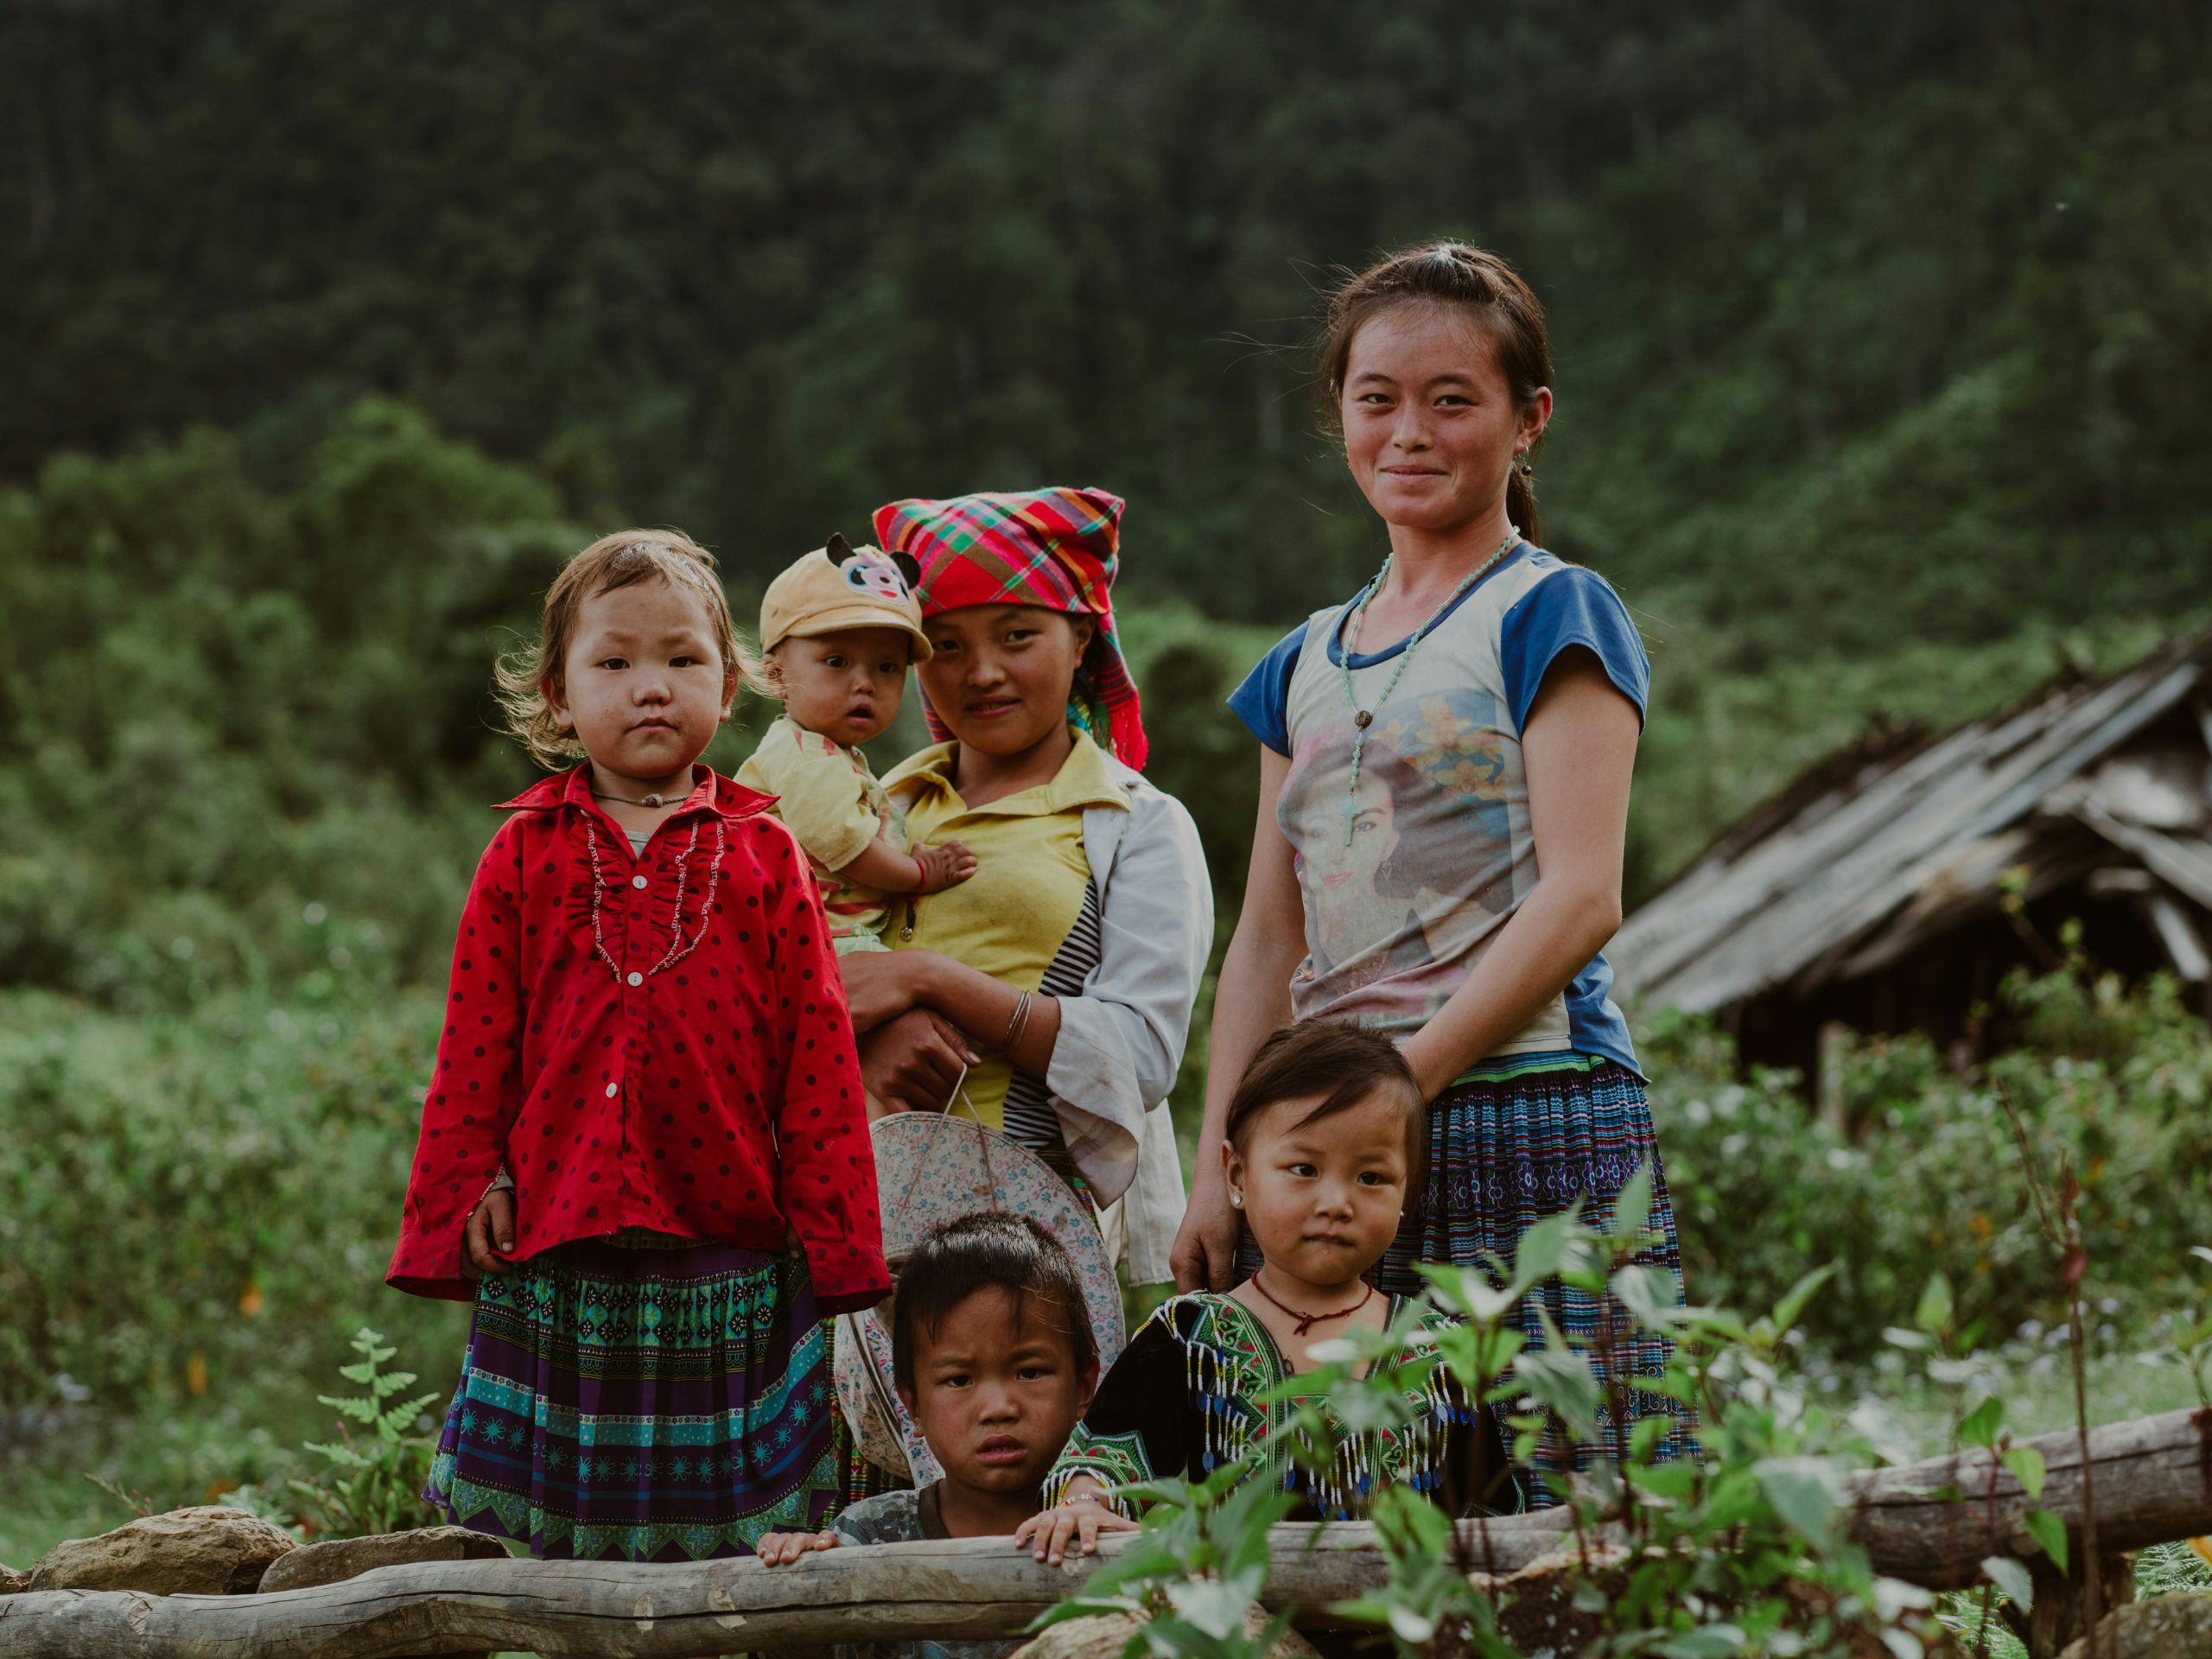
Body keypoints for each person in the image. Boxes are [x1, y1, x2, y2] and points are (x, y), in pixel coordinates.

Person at [1173, 243, 1693, 1500]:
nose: (1411, 431)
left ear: (1530, 421)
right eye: (1377, 398)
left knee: (1585, 1496)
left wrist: (1398, 1086)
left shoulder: (1552, 610)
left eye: (1453, 399)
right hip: (1345, 1147)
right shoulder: (1301, 659)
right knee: (1375, 1511)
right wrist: (1220, 1159)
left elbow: (1582, 894)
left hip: (1533, 1104)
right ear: (1338, 413)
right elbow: (1264, 940)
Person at [387, 529, 891, 1560]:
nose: (650, 687)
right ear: (560, 699)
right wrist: (471, 1178)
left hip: (732, 1241)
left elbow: (819, 1063)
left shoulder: (766, 854)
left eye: (681, 660)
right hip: (559, 1237)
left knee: (728, 1548)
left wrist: (836, 1244)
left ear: (731, 683)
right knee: (548, 1554)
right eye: (613, 663)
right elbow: (477, 1041)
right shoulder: (520, 854)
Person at [840, 487, 1206, 1289]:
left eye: (1016, 636)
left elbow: (1141, 1057)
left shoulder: (1136, 825)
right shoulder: (864, 814)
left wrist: (926, 979)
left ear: (1081, 637)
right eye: (943, 644)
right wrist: (865, 1045)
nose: (983, 673)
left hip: (1032, 1238)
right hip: (849, 1228)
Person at [1017, 1020, 1508, 1567]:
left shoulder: (1442, 1353)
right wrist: (1084, 1503)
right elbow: (1108, 1454)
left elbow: (1494, 1517)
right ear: (1236, 1176)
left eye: (1371, 1177)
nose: (1336, 1202)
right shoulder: (1190, 1335)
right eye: (1304, 1169)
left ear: (1406, 1193)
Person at [757, 1213, 1101, 1659]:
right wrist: (795, 1578)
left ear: (1083, 1387)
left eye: (1029, 1371)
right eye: (959, 1380)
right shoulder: (870, 1536)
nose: (998, 1408)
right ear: (914, 1404)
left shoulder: (1095, 1529)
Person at [738, 535, 978, 954]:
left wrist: (903, 851)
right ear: (776, 676)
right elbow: (847, 846)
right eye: (837, 661)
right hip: (809, 940)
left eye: (887, 666)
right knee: (914, 1011)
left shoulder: (828, 753)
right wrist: (921, 872)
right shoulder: (803, 756)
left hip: (829, 934)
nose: (865, 683)